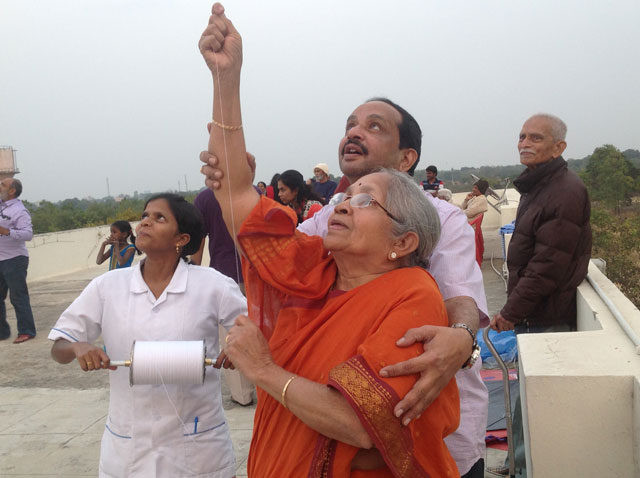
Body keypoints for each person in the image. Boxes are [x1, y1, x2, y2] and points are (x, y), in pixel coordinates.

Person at [199, 5, 481, 476]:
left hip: (431, 445)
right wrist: (226, 79)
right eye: (351, 122)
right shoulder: (317, 257)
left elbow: (461, 306)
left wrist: (462, 337)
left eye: (374, 126)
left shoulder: (416, 281)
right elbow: (235, 192)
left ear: (404, 242)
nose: (344, 204)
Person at [49, 193, 247, 477]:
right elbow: (58, 347)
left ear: (181, 238)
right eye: (144, 216)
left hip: (198, 445)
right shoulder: (107, 287)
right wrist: (78, 347)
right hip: (128, 448)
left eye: (159, 218)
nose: (145, 223)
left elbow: (255, 331)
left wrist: (238, 347)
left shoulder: (212, 285)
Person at [489, 114, 591, 477]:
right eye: (521, 136)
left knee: (536, 401)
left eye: (535, 137)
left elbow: (547, 266)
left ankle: (524, 465)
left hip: (546, 315)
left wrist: (512, 310)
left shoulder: (563, 191)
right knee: (524, 397)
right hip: (536, 312)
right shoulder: (541, 187)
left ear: (559, 147)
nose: (524, 143)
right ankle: (518, 462)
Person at [191, 186, 254, 405]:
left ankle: (242, 395)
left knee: (230, 335)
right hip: (257, 273)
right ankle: (269, 388)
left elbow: (198, 241)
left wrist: (194, 273)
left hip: (224, 275)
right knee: (261, 330)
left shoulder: (206, 198)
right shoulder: (253, 193)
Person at [0, 178, 36, 344]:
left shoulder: (20, 211)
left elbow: (27, 234)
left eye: (3, 185)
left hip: (14, 259)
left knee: (18, 296)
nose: (0, 186)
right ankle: (2, 332)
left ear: (12, 191)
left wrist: (6, 232)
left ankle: (26, 331)